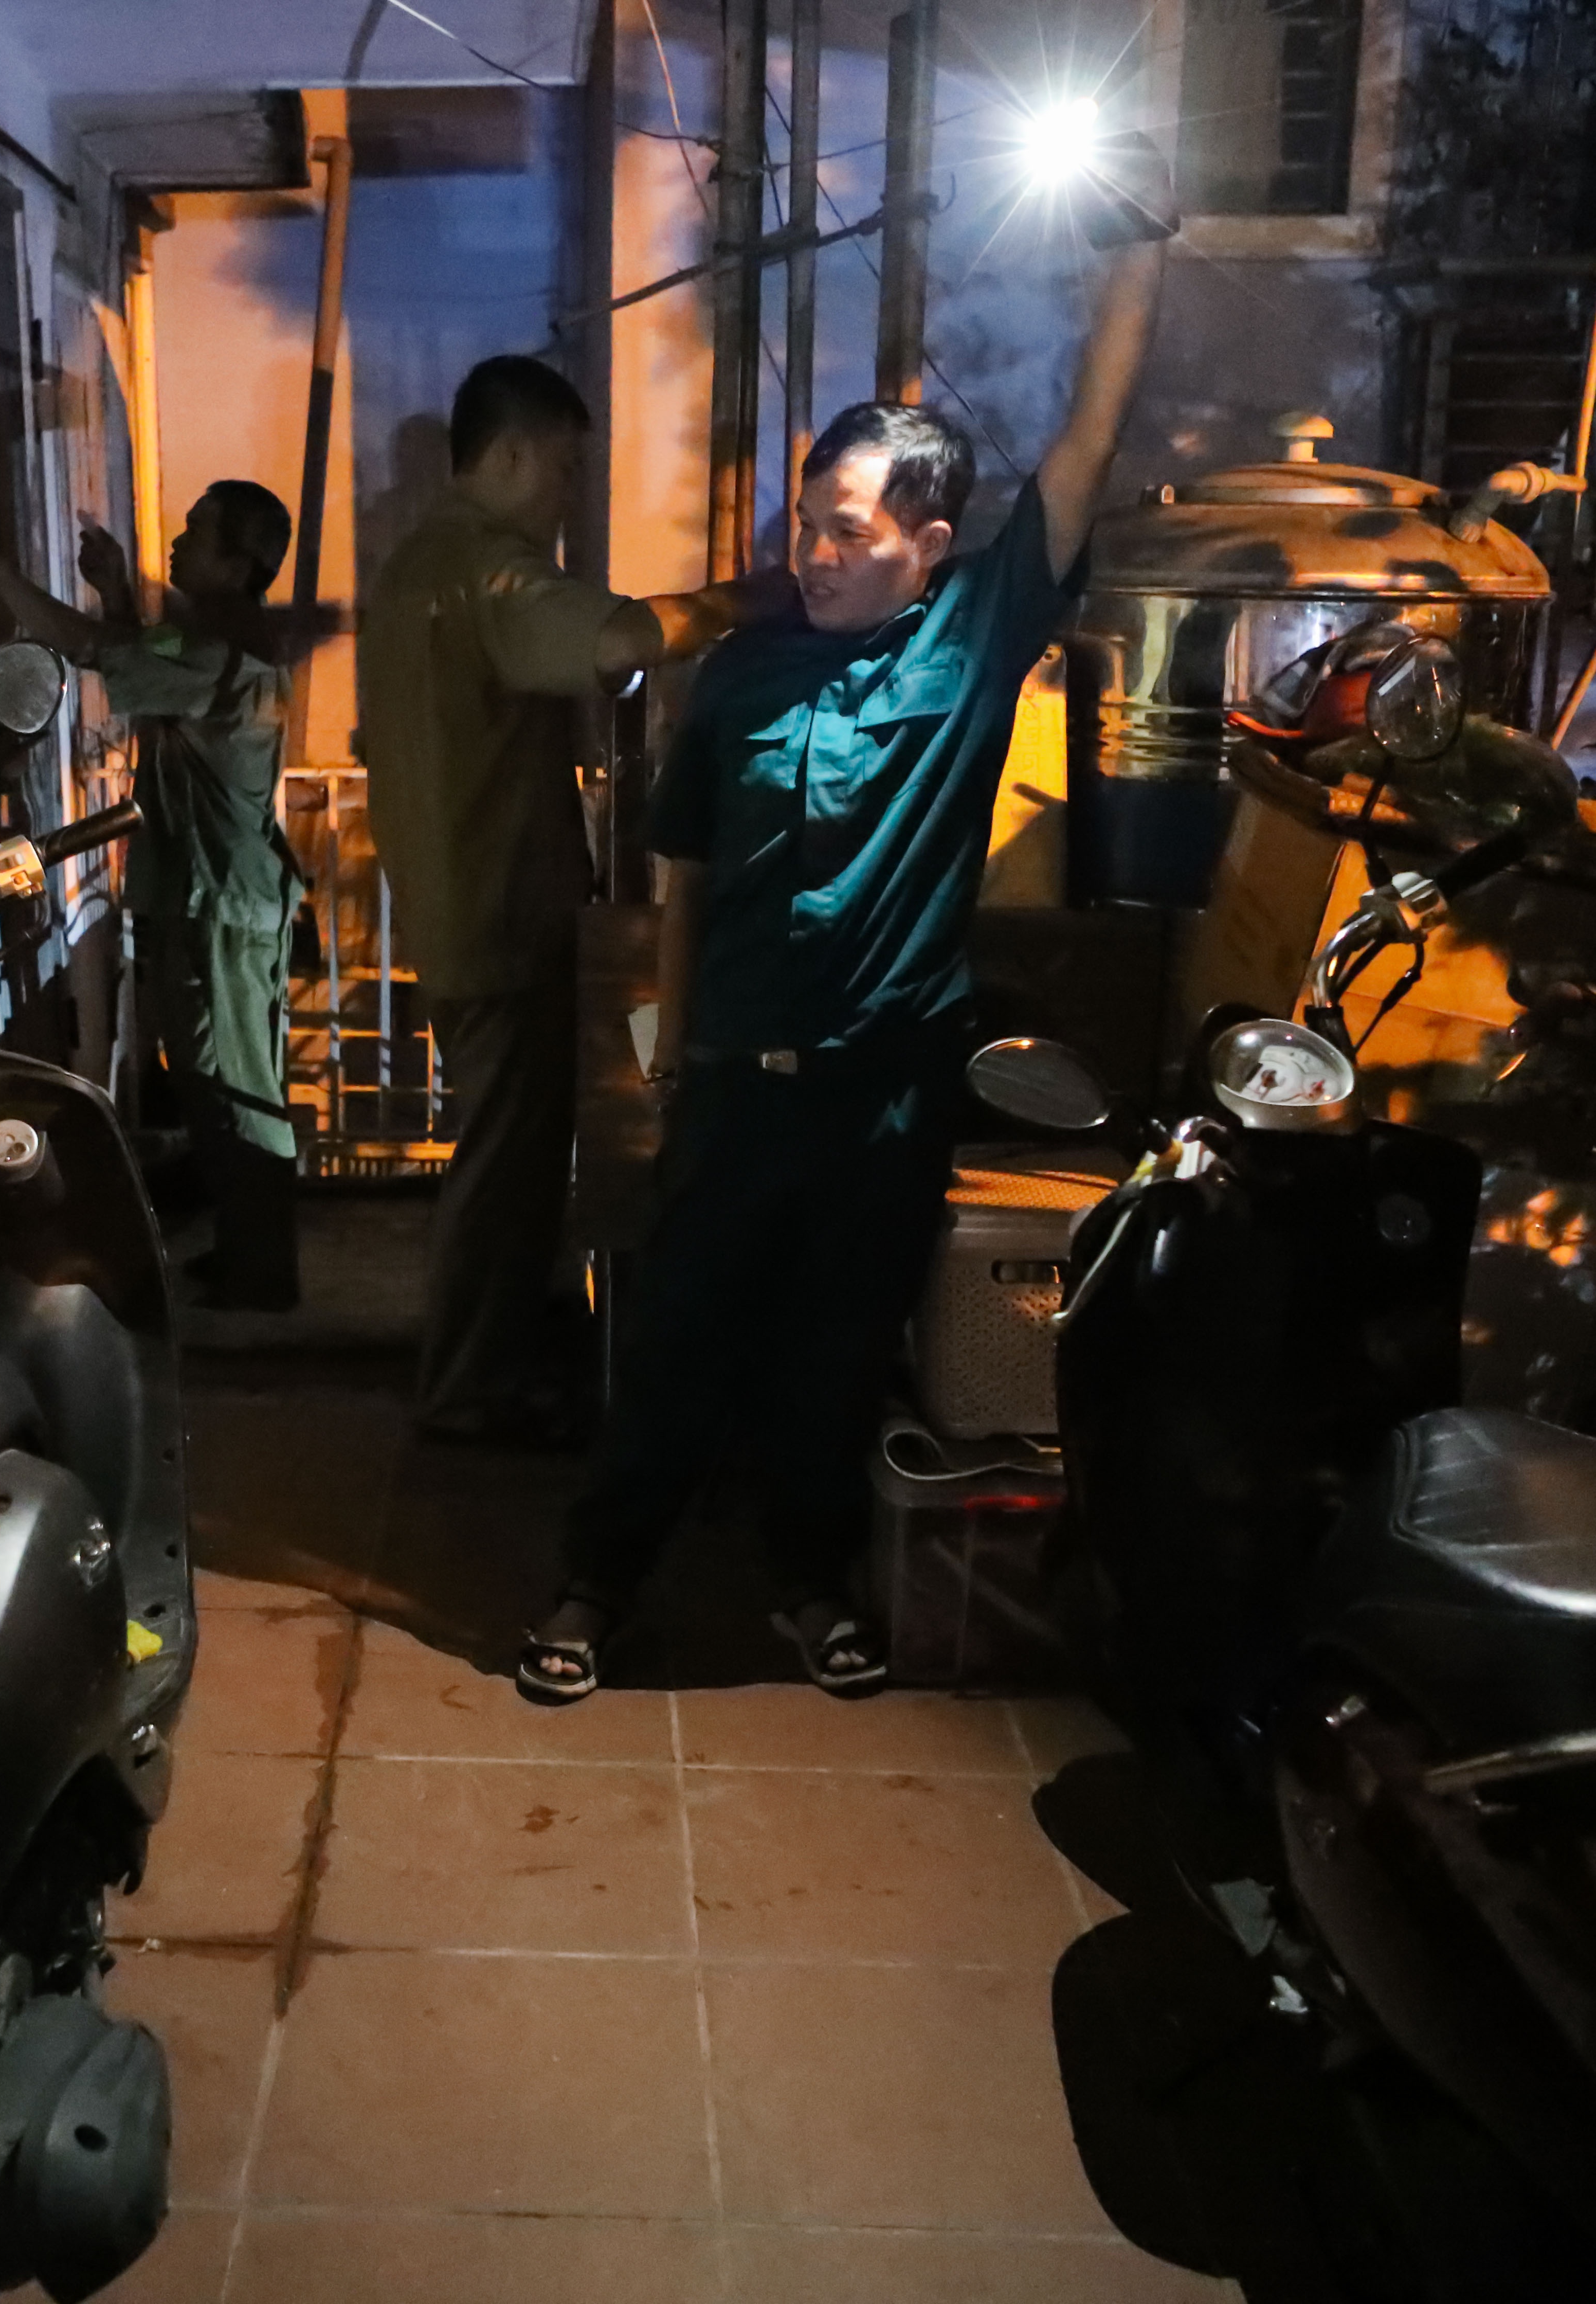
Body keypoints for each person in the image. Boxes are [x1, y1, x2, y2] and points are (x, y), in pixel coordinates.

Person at [517, 170, 1171, 1702]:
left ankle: (807, 1589)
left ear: (930, 544)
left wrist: (1140, 257)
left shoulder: (979, 633)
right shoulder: (739, 681)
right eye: (806, 524)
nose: (812, 551)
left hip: (885, 1093)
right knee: (674, 1349)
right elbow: (679, 878)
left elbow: (1085, 444)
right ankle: (596, 1582)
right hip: (736, 1081)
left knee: (831, 1359)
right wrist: (670, 1059)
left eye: (847, 529)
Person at [358, 354, 791, 1445]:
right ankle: (463, 1392)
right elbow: (621, 638)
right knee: (503, 1167)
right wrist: (763, 595)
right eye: (560, 467)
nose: (567, 494)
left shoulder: (412, 565)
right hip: (502, 916)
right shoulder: (488, 571)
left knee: (503, 1153)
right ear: (505, 454)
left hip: (460, 903)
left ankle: (489, 1364)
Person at [0, 482, 305, 1309]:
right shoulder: (214, 642)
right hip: (211, 897)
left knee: (236, 1086)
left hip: (221, 903)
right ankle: (248, 1254)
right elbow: (139, 648)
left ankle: (263, 1271)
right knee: (212, 1078)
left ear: (239, 566)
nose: (180, 542)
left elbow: (101, 651)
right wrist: (118, 591)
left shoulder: (224, 655)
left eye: (198, 535)